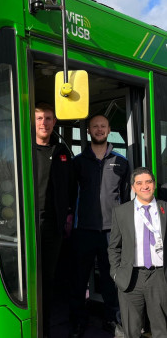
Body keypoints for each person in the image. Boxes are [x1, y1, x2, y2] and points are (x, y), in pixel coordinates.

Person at [69, 114, 130, 337]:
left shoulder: (121, 162)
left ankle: (111, 318)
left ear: (109, 129)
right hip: (83, 230)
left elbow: (124, 199)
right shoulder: (78, 162)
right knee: (79, 279)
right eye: (95, 126)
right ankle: (78, 321)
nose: (99, 129)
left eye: (103, 126)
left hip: (111, 233)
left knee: (110, 280)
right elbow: (71, 195)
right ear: (89, 131)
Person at [108, 167, 167, 338]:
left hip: (159, 276)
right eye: (139, 183)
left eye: (148, 182)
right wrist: (116, 274)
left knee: (161, 328)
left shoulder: (165, 209)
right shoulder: (121, 212)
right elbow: (114, 247)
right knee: (131, 330)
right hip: (131, 277)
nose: (145, 186)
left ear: (154, 185)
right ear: (133, 187)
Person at [35, 102, 75, 338]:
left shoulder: (62, 153)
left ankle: (45, 328)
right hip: (25, 223)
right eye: (39, 118)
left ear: (54, 122)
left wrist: (67, 216)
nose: (44, 123)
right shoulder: (21, 149)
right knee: (29, 277)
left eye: (48, 118)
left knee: (48, 279)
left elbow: (71, 187)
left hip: (53, 225)